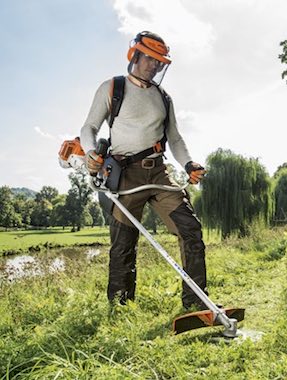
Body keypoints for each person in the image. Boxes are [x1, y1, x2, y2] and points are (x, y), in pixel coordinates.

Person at [80, 31, 208, 310]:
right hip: (125, 175)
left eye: (160, 62)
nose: (155, 65)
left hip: (159, 174)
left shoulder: (164, 98)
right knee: (123, 244)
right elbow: (89, 128)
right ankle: (121, 308)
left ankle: (196, 304)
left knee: (190, 230)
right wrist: (90, 152)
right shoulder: (113, 88)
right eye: (150, 58)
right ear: (135, 55)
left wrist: (189, 164)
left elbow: (174, 138)